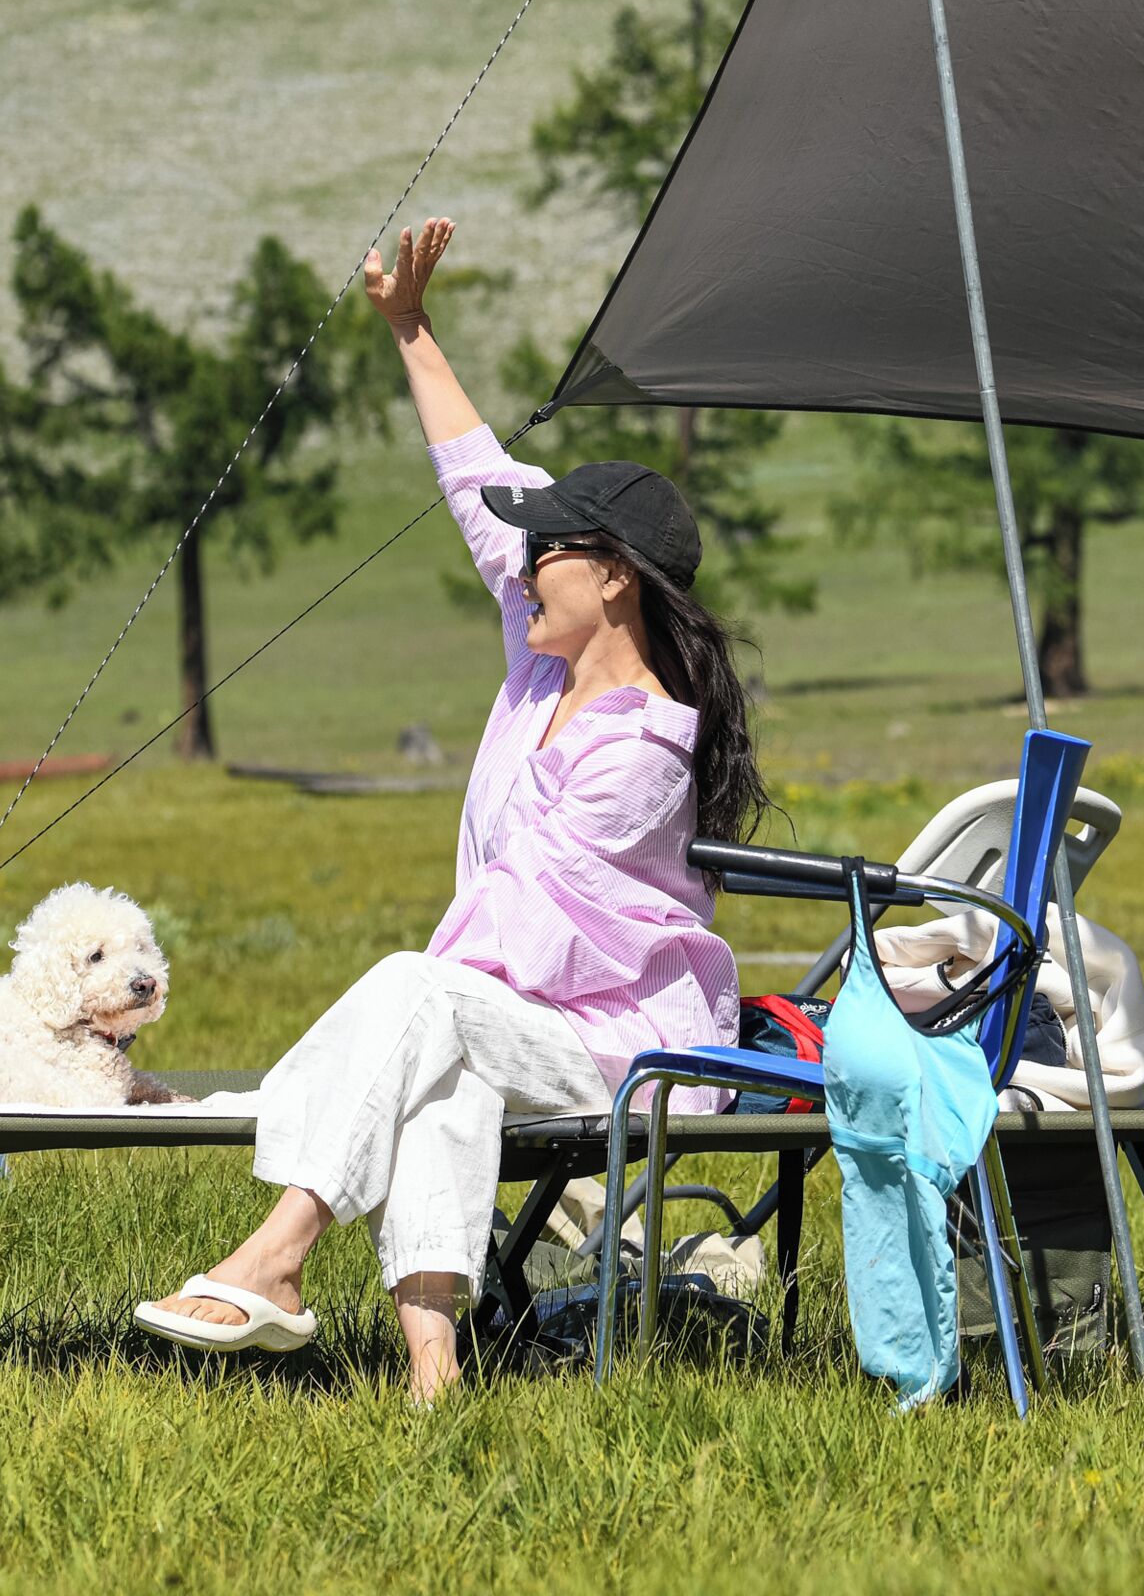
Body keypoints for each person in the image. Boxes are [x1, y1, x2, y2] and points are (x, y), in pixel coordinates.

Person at [133, 215, 765, 1402]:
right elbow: (487, 489)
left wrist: (397, 1012)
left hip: (634, 1051)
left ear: (614, 576)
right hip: (520, 1020)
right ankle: (436, 1381)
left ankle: (277, 1252)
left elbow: (525, 931)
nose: (524, 567)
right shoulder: (543, 667)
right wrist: (411, 329)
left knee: (431, 1001)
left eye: (551, 554)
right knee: (446, 1059)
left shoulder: (648, 751)